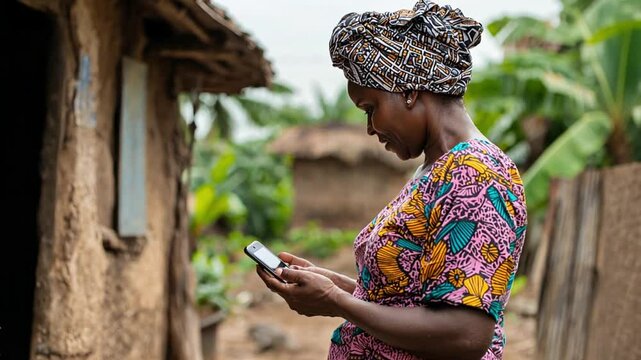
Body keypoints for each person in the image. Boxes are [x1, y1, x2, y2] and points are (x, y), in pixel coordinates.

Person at [256, 1, 527, 359]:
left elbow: (464, 333)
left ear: (409, 90)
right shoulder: (437, 170)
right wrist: (332, 286)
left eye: (371, 108)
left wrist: (336, 301)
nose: (370, 128)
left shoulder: (475, 175)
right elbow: (410, 301)